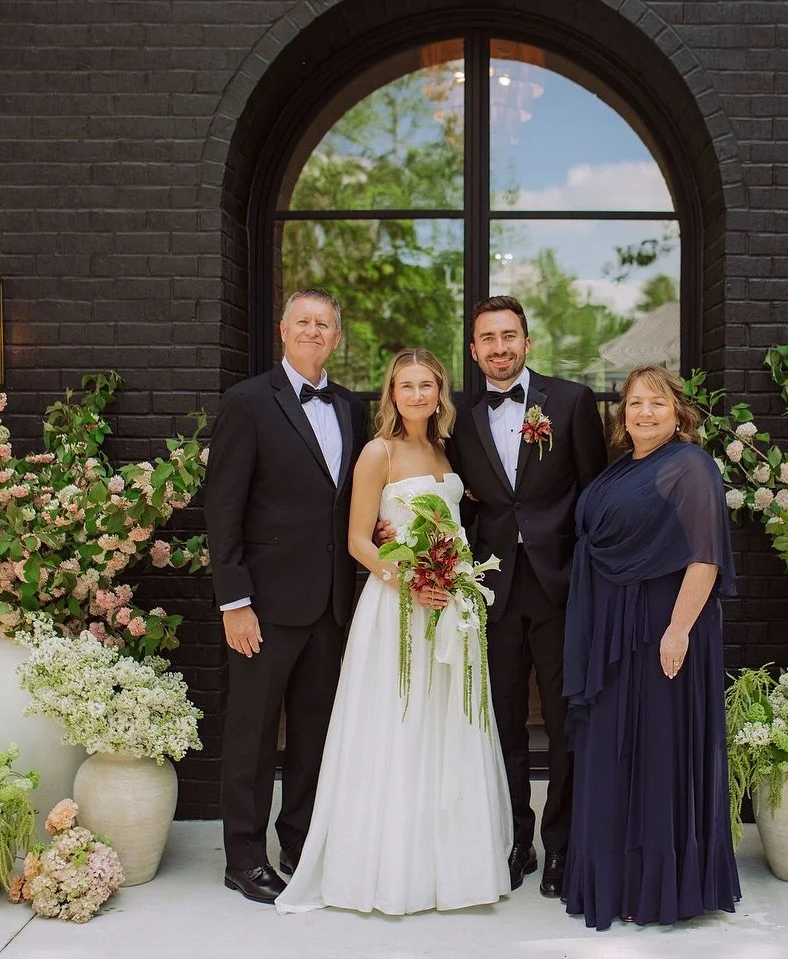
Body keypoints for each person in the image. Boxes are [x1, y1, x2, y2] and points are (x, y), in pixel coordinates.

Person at [276, 348, 512, 915]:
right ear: (391, 393)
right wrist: (406, 580)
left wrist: (452, 579)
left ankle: (448, 865)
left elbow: (458, 523)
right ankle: (388, 866)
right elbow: (360, 539)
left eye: (425, 385)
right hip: (397, 608)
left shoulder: (445, 450)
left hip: (449, 606)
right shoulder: (376, 453)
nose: (416, 395)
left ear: (439, 393)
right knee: (396, 723)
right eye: (405, 386)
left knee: (447, 724)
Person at [562, 364, 740, 931]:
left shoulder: (689, 465)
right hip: (614, 633)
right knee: (617, 753)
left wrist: (677, 629)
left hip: (661, 633)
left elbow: (705, 558)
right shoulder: (625, 467)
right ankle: (615, 880)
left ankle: (655, 887)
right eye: (634, 403)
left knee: (656, 752)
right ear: (622, 415)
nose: (643, 412)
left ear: (678, 412)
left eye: (656, 404)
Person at [204, 289, 367, 905]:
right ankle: (242, 857)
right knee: (249, 734)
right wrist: (234, 602)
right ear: (282, 329)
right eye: (303, 321)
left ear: (336, 336)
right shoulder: (247, 403)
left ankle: (297, 842)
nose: (313, 331)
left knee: (313, 732)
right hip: (264, 606)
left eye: (324, 323)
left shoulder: (351, 408)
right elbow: (223, 511)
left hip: (330, 605)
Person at [448, 296, 608, 897]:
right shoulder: (458, 417)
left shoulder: (568, 403)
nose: (499, 348)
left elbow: (593, 495)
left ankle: (561, 846)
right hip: (493, 591)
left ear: (527, 341)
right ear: (473, 350)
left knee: (565, 724)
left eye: (508, 336)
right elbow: (461, 503)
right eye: (487, 338)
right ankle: (518, 840)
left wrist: (590, 578)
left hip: (561, 589)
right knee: (503, 724)